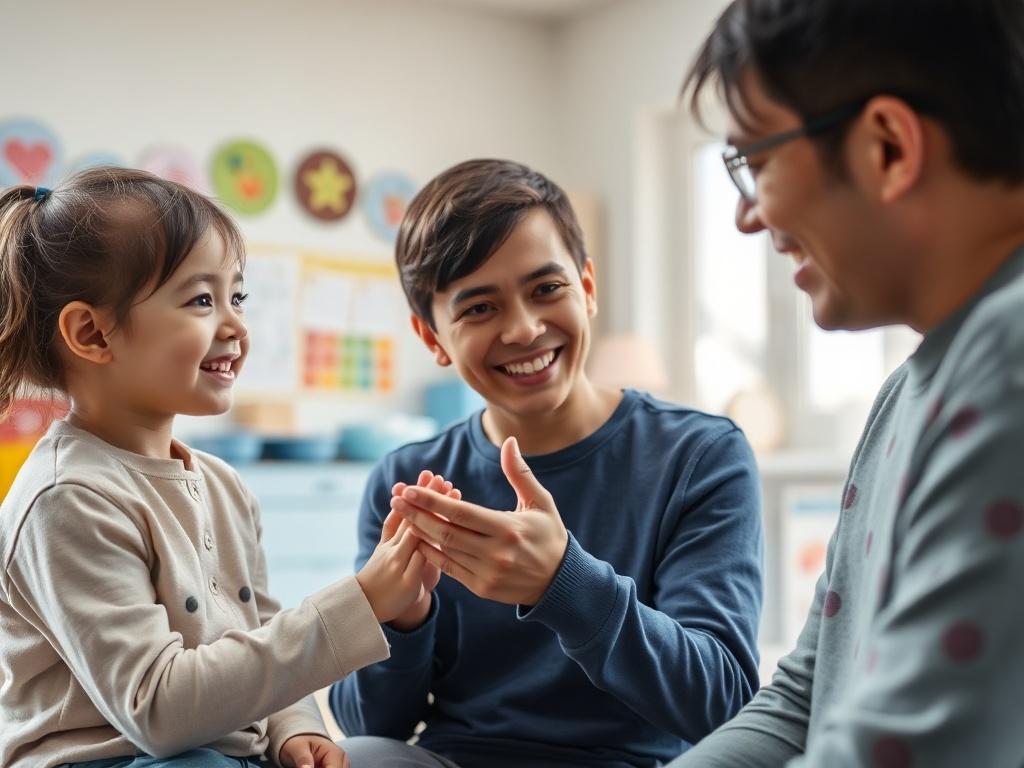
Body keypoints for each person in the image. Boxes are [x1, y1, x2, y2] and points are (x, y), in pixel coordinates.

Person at [666, 1, 1024, 766]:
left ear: (888, 146)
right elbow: (809, 694)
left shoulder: (1012, 351)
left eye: (755, 163)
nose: (745, 217)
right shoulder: (910, 390)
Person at [0, 168, 442, 768]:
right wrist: (358, 601)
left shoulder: (223, 485)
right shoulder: (68, 498)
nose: (235, 326)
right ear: (91, 333)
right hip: (120, 758)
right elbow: (158, 711)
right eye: (202, 300)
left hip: (217, 747)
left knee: (387, 756)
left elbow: (258, 631)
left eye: (237, 297)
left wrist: (294, 726)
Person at [330, 158, 764, 768]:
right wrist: (403, 619)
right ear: (432, 337)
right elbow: (371, 726)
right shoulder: (409, 481)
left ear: (586, 287)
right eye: (479, 308)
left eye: (546, 289)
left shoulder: (699, 457)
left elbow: (723, 704)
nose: (525, 328)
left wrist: (564, 584)